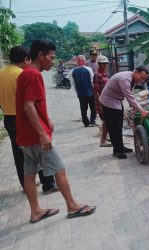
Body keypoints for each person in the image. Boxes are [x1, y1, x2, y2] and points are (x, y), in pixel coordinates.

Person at [16, 40, 96, 223]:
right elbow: (28, 107)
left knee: (29, 174)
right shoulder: (33, 75)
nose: (53, 61)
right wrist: (42, 133)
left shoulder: (24, 74)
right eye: (51, 57)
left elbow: (31, 104)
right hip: (37, 137)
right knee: (59, 169)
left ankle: (35, 211)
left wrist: (47, 119)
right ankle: (73, 206)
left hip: (25, 137)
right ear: (40, 56)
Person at [0, 46, 58, 194]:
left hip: (8, 117)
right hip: (25, 118)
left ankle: (26, 185)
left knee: (19, 154)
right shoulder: (23, 74)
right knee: (40, 150)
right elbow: (30, 104)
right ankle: (48, 183)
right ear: (26, 59)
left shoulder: (1, 73)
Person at [99, 66, 149, 159]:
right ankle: (117, 151)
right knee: (114, 126)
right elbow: (129, 97)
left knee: (119, 124)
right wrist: (141, 110)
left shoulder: (132, 78)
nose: (142, 81)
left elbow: (130, 95)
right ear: (136, 72)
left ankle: (120, 146)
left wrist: (135, 108)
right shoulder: (125, 79)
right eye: (141, 78)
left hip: (116, 100)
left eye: (144, 79)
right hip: (108, 101)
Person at [71, 55, 96, 127]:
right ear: (83, 61)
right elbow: (92, 81)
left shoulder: (73, 71)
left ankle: (86, 123)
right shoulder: (88, 69)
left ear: (77, 61)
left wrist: (77, 93)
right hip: (90, 92)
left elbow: (74, 84)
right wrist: (94, 91)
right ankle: (92, 121)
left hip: (81, 93)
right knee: (93, 108)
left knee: (83, 109)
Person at [93, 55, 110, 147]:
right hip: (101, 102)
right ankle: (103, 141)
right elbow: (96, 91)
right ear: (99, 64)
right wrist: (100, 103)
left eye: (106, 64)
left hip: (107, 100)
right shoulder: (97, 75)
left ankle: (105, 138)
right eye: (103, 64)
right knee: (106, 121)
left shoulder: (105, 73)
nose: (105, 65)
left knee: (107, 121)